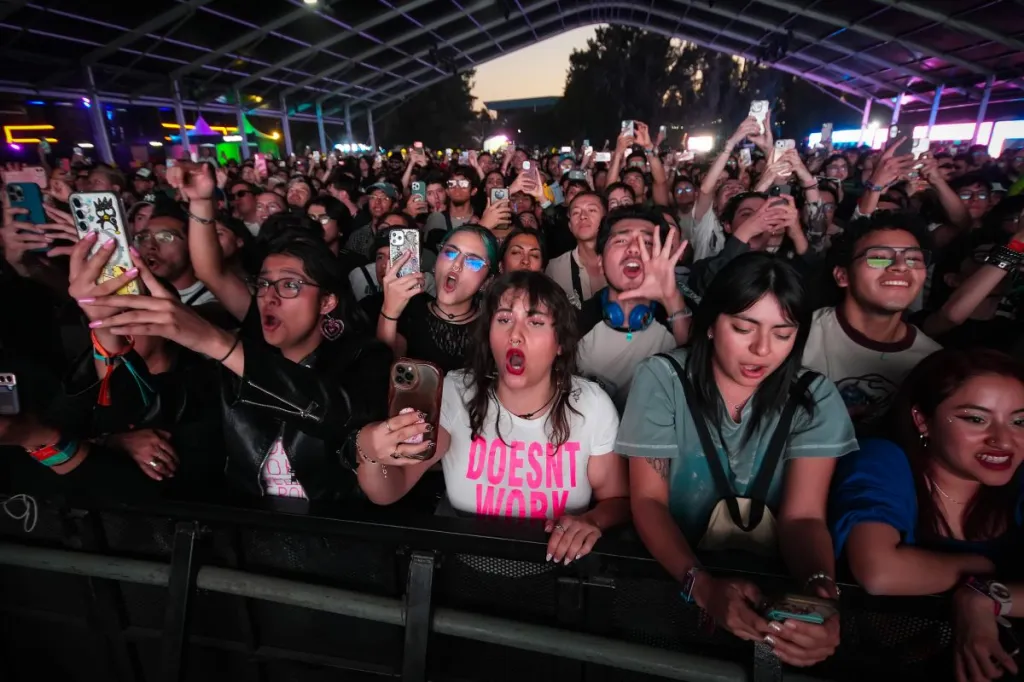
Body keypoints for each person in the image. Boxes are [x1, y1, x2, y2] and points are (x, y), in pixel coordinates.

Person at [618, 252, 856, 668]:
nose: (762, 349)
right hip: (672, 579)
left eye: (783, 334)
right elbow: (648, 502)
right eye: (743, 328)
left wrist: (821, 594)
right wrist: (702, 586)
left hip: (775, 593)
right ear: (710, 324)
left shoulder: (813, 397)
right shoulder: (662, 379)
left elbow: (804, 518)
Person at [117, 161, 391, 500]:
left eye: (290, 284)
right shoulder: (234, 370)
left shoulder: (364, 358)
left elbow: (335, 411)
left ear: (327, 302)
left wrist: (216, 341)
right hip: (252, 539)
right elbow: (158, 406)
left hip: (332, 539)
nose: (270, 297)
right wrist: (117, 437)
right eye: (263, 284)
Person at [355, 271, 630, 564]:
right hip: (463, 572)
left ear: (560, 343)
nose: (515, 334)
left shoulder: (591, 405)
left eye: (535, 322)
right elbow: (388, 490)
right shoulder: (455, 393)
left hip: (556, 576)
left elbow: (618, 501)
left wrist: (593, 521)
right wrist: (370, 451)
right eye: (503, 319)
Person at [830, 349, 1024, 679]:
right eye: (976, 419)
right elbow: (879, 572)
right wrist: (986, 569)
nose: (1003, 440)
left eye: (1020, 421)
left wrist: (985, 598)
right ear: (923, 420)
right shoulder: (884, 459)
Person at [802, 211, 941, 427]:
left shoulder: (933, 364)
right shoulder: (796, 336)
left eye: (913, 259)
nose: (901, 266)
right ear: (843, 276)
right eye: (878, 257)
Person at [576, 206, 691, 409]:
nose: (634, 249)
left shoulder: (683, 314)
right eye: (621, 240)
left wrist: (672, 299)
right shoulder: (575, 320)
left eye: (647, 242)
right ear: (601, 262)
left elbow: (699, 377)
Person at [378, 226, 498, 373]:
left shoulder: (493, 330)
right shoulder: (411, 308)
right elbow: (384, 373)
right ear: (435, 263)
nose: (456, 264)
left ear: (487, 282)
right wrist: (389, 311)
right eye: (450, 252)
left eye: (473, 261)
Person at [131, 200, 218, 307]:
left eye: (165, 237)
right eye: (144, 237)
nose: (150, 245)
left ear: (191, 245)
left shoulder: (214, 301)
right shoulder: (134, 294)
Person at [545, 192, 607, 308]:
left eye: (592, 210)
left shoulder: (622, 261)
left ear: (606, 218)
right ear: (570, 226)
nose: (583, 216)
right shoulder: (556, 268)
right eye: (576, 212)